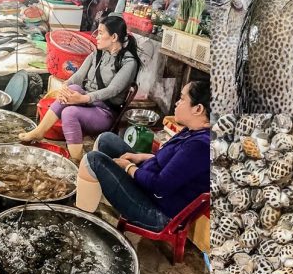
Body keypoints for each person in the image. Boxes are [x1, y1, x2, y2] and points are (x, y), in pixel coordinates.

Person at [76, 81, 211, 232]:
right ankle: (98, 194)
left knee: (93, 160)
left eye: (182, 99)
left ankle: (82, 223)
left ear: (198, 109)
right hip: (149, 187)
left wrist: (128, 168)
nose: (177, 103)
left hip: (158, 213)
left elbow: (160, 186)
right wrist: (141, 157)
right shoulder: (191, 131)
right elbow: (169, 162)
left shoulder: (200, 146)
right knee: (106, 139)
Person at [19, 15, 140, 162]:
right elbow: (78, 76)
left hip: (105, 111)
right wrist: (65, 86)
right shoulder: (98, 53)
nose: (97, 37)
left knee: (70, 112)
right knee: (74, 87)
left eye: (101, 33)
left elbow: (112, 90)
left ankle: (77, 159)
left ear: (114, 37)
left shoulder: (128, 62)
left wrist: (83, 98)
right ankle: (39, 132)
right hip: (88, 102)